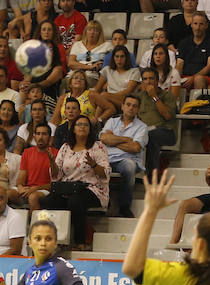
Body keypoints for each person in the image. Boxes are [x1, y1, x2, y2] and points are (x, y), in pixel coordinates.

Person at [43, 115, 110, 249]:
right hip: (68, 187)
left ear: (90, 130)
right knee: (48, 201)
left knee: (75, 201)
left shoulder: (98, 147)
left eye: (85, 125)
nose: (82, 127)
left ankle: (80, 242)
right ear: (73, 129)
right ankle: (57, 240)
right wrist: (52, 162)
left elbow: (106, 173)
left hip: (93, 188)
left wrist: (94, 165)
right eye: (79, 124)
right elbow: (57, 175)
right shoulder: (66, 147)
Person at [102, 95, 148, 218]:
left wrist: (113, 140)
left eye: (134, 106)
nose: (131, 108)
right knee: (91, 165)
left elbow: (135, 148)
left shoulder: (142, 127)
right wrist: (126, 140)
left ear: (138, 109)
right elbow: (103, 138)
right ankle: (102, 203)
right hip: (107, 159)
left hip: (128, 159)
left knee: (129, 166)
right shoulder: (112, 121)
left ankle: (124, 206)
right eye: (128, 104)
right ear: (122, 106)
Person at [137, 68, 178, 176]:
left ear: (157, 81)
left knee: (151, 136)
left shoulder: (167, 95)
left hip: (166, 131)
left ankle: (152, 177)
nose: (148, 82)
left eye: (151, 78)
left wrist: (154, 96)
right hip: (143, 130)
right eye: (145, 79)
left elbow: (168, 116)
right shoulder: (139, 97)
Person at [90, 45, 140, 124]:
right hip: (108, 101)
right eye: (117, 56)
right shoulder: (107, 70)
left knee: (104, 96)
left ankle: (95, 121)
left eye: (122, 57)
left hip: (125, 101)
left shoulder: (134, 71)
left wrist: (109, 96)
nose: (119, 59)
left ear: (126, 58)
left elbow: (128, 91)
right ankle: (99, 120)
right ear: (113, 58)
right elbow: (97, 89)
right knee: (94, 94)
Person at [176, 12, 210, 90]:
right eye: (195, 24)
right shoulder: (184, 42)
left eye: (201, 24)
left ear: (206, 26)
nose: (198, 27)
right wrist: (176, 79)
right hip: (185, 77)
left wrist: (193, 78)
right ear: (191, 24)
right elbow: (179, 65)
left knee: (198, 79)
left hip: (205, 77)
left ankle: (199, 102)